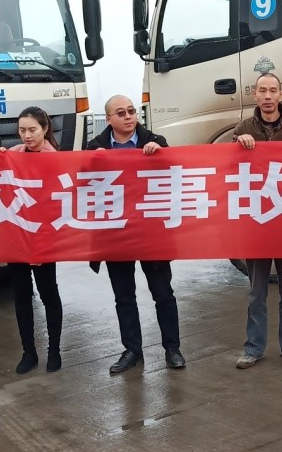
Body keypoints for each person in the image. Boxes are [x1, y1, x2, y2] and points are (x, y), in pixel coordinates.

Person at [85, 95, 185, 374]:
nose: (128, 116)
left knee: (163, 293)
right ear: (108, 119)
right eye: (121, 113)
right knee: (124, 296)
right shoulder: (95, 148)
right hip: (115, 232)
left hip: (151, 232)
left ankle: (172, 348)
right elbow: (83, 184)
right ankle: (132, 350)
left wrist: (161, 154)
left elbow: (176, 175)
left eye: (131, 111)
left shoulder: (155, 141)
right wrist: (93, 162)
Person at [232, 72, 282, 369]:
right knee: (257, 291)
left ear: (281, 94)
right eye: (262, 91)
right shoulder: (243, 128)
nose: (267, 96)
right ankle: (253, 348)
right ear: (254, 94)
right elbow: (229, 168)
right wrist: (238, 143)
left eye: (273, 90)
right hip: (256, 222)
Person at [0, 107, 64, 374]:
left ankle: (54, 350)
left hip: (44, 237)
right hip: (17, 237)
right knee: (22, 295)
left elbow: (60, 199)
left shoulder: (56, 159)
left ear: (45, 129)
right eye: (22, 130)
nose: (26, 135)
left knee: (48, 293)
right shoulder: (13, 155)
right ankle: (28, 352)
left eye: (32, 130)